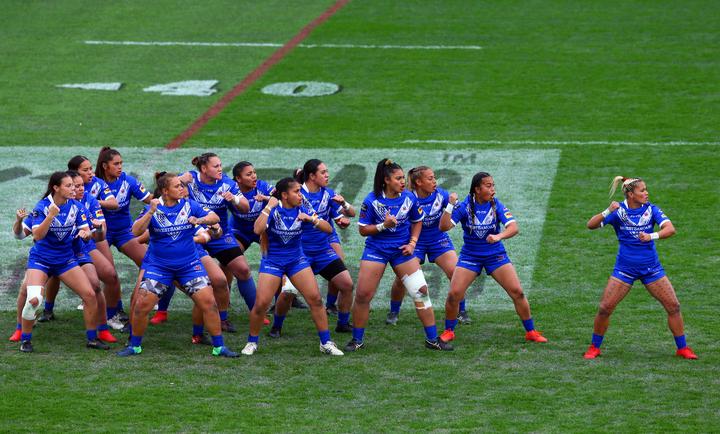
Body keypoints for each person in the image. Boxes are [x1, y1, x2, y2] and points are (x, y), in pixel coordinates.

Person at [117, 172, 238, 357]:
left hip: (189, 266)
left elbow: (214, 217)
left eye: (182, 185)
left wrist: (200, 220)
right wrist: (150, 211)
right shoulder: (153, 208)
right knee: (142, 306)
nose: (182, 189)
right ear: (165, 191)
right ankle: (134, 346)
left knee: (209, 303)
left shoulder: (190, 205)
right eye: (177, 186)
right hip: (159, 267)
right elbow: (135, 232)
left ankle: (219, 347)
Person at [583, 176, 697, 360]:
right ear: (630, 194)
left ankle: (682, 348)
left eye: (646, 189)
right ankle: (594, 347)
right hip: (624, 269)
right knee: (605, 308)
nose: (646, 193)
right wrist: (607, 211)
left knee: (673, 306)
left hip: (651, 269)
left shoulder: (651, 209)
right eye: (642, 190)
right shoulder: (618, 211)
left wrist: (652, 236)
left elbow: (670, 229)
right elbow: (591, 225)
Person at [345, 159, 452, 352]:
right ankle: (357, 340)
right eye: (398, 178)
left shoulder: (409, 198)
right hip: (376, 250)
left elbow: (418, 220)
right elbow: (363, 230)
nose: (403, 181)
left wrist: (412, 243)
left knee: (421, 291)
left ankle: (432, 339)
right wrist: (383, 226)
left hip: (402, 251)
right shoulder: (372, 201)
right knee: (363, 295)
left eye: (403, 178)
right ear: (386, 180)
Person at [438, 171, 547, 345]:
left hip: (495, 255)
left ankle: (531, 331)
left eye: (493, 185)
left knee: (517, 292)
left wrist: (499, 236)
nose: (493, 189)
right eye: (488, 186)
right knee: (454, 294)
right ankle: (449, 331)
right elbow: (443, 227)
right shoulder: (464, 206)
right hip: (470, 256)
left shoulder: (496, 204)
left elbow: (514, 227)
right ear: (477, 189)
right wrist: (450, 205)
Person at [241, 177, 344, 356]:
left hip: (297, 260)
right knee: (261, 304)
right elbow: (257, 230)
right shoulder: (273, 210)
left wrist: (312, 220)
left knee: (316, 300)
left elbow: (328, 229)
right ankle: (252, 342)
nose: (300, 195)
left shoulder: (303, 208)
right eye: (296, 191)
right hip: (273, 261)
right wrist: (268, 206)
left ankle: (326, 342)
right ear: (284, 195)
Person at [19, 171, 108, 352]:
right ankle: (25, 340)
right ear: (56, 188)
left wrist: (87, 234)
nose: (73, 189)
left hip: (65, 260)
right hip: (41, 260)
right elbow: (37, 235)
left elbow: (87, 232)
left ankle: (92, 339)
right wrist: (51, 216)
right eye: (69, 186)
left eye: (74, 186)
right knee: (34, 299)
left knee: (90, 295)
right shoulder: (42, 207)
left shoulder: (77, 207)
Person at [268, 160, 354, 337]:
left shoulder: (328, 194)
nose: (327, 175)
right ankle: (276, 326)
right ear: (312, 176)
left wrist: (341, 221)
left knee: (347, 284)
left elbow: (340, 218)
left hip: (323, 251)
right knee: (288, 293)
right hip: (300, 254)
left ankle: (343, 323)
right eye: (323, 172)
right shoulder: (297, 195)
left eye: (327, 172)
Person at [384, 166, 471, 326]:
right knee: (402, 278)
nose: (434, 181)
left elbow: (459, 211)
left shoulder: (442, 195)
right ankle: (394, 312)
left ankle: (462, 310)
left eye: (434, 177)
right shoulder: (408, 197)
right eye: (430, 178)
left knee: (455, 273)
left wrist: (456, 205)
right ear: (418, 182)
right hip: (414, 242)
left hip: (438, 240)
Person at [173, 153, 250, 333]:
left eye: (220, 165)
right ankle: (158, 314)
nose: (220, 169)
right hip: (182, 243)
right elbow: (165, 189)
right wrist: (179, 179)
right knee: (156, 284)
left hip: (216, 235)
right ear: (203, 168)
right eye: (216, 166)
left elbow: (242, 207)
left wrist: (235, 199)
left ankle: (225, 319)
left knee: (236, 273)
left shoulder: (226, 184)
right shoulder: (188, 179)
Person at [94, 147, 152, 328]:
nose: (120, 167)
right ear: (105, 166)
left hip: (124, 231)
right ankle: (113, 312)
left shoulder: (128, 180)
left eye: (121, 163)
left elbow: (150, 199)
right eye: (116, 164)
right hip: (100, 234)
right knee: (110, 274)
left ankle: (147, 298)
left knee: (149, 261)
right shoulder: (94, 184)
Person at [68, 155, 124, 321]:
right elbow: (26, 233)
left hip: (86, 244)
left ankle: (110, 316)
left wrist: (96, 227)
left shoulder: (91, 197)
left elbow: (100, 234)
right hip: (59, 249)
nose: (90, 173)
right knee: (48, 277)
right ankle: (44, 310)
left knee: (109, 276)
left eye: (91, 169)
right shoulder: (53, 201)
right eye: (85, 170)